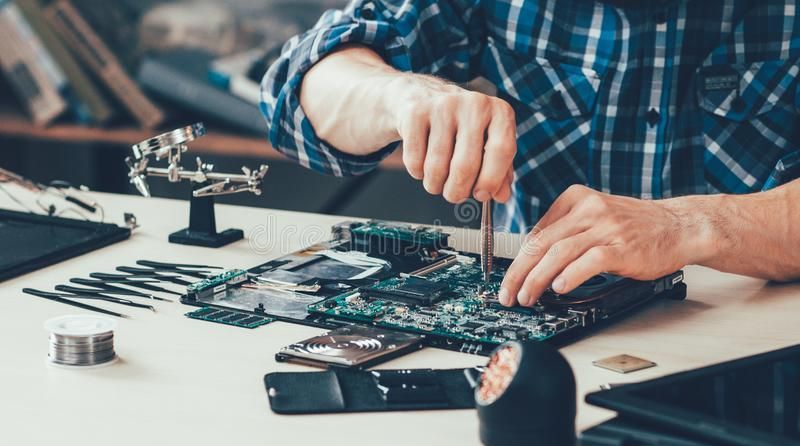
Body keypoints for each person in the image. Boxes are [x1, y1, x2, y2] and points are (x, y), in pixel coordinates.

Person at [261, 0, 800, 308]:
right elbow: (296, 92)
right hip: (546, 341)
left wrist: (691, 225)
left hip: (757, 354)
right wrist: (401, 95)